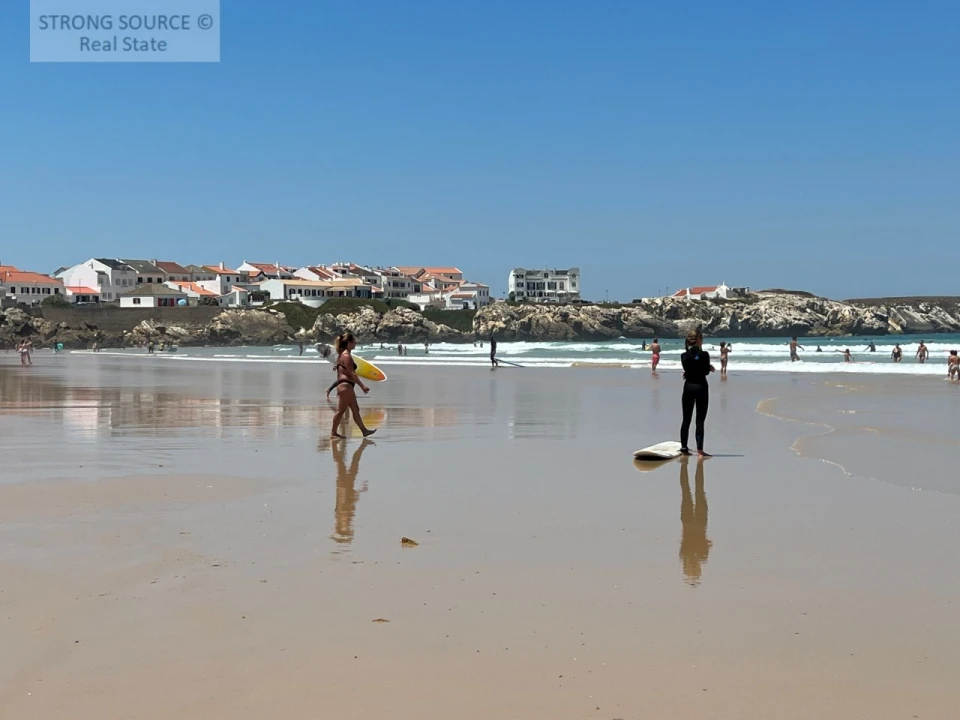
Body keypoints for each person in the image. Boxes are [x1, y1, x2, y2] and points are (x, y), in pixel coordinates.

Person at [329, 332, 376, 440]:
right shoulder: (346, 356)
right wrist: (362, 385)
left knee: (355, 409)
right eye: (354, 341)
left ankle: (364, 431)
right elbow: (352, 373)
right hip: (346, 386)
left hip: (344, 386)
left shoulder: (341, 356)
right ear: (349, 343)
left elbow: (340, 372)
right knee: (341, 411)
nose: (356, 342)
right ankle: (333, 432)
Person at [679, 329, 714, 457]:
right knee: (700, 420)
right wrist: (709, 367)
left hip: (688, 387)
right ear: (699, 340)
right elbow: (705, 372)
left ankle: (684, 448)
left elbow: (689, 368)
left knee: (686, 419)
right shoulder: (705, 355)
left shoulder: (683, 356)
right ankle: (699, 450)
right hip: (701, 388)